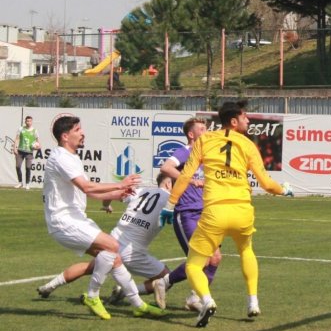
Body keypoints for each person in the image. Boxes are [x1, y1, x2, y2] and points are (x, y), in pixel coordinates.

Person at [166, 100, 293, 327]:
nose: (248, 120)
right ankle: (253, 301)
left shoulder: (204, 140)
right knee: (246, 250)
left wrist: (170, 204)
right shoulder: (248, 145)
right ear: (233, 121)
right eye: (245, 117)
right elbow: (266, 183)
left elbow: (185, 176)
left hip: (215, 211)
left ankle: (206, 301)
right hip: (243, 210)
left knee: (194, 265)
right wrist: (284, 190)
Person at [41, 115, 165, 320]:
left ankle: (138, 305)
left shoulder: (70, 157)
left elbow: (89, 193)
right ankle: (92, 295)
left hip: (75, 220)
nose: (83, 133)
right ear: (65, 136)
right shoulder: (61, 157)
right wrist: (120, 184)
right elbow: (87, 187)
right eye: (78, 130)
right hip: (63, 221)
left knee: (113, 258)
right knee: (113, 246)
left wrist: (116, 194)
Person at [37, 173, 175, 309]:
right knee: (167, 277)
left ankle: (48, 286)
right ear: (168, 184)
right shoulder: (172, 200)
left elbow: (114, 193)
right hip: (133, 252)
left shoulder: (141, 191)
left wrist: (106, 205)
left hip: (113, 240)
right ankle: (124, 292)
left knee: (89, 267)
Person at [159, 117, 218, 312]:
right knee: (202, 258)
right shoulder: (185, 151)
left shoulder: (206, 155)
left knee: (215, 258)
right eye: (202, 129)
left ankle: (191, 296)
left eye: (206, 128)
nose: (206, 132)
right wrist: (190, 180)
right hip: (186, 213)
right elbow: (166, 167)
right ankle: (169, 285)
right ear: (191, 134)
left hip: (206, 214)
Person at [13, 115, 40, 189]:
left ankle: (27, 184)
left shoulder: (35, 130)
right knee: (17, 166)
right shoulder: (21, 129)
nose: (28, 122)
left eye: (30, 121)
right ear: (25, 121)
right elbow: (17, 139)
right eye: (27, 121)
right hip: (20, 151)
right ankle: (20, 182)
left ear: (32, 122)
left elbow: (38, 143)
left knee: (28, 167)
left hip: (29, 152)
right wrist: (15, 148)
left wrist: (37, 147)